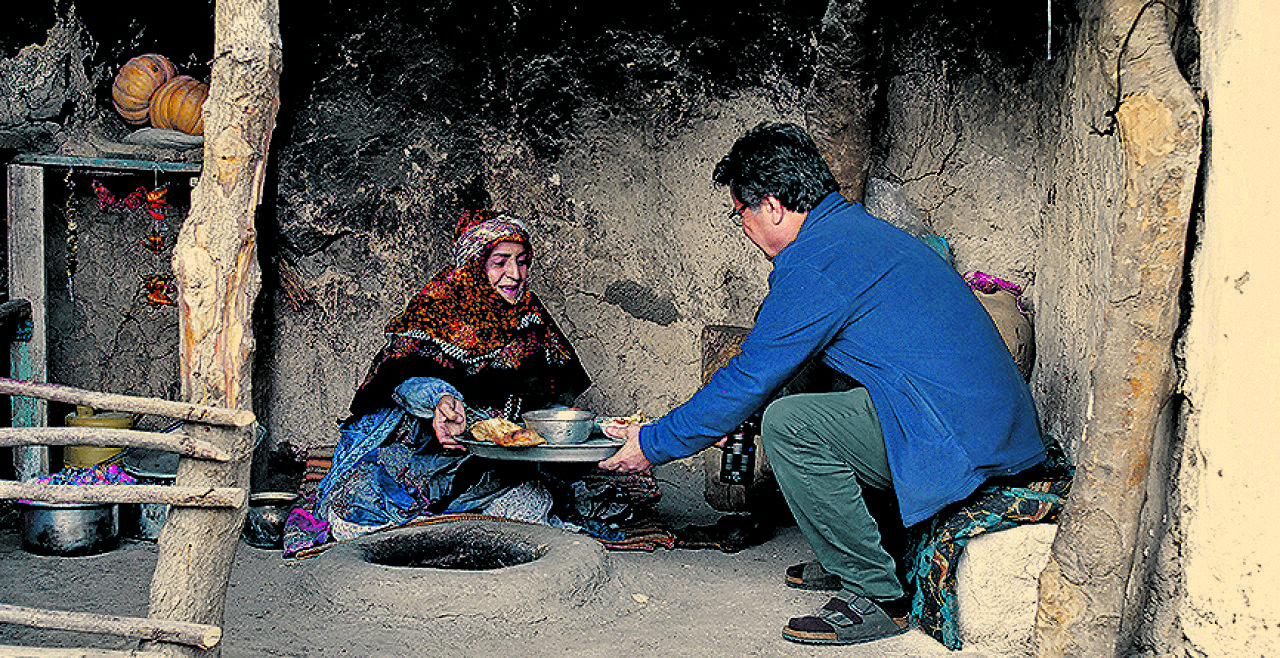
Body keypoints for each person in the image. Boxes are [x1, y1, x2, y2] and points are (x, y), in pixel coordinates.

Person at [600, 122, 1048, 646]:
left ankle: (875, 592)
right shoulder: (849, 235)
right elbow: (781, 367)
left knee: (792, 425)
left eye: (739, 213)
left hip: (965, 437)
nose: (742, 226)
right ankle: (857, 549)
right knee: (805, 391)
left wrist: (653, 444)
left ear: (770, 206)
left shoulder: (818, 262)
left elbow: (751, 372)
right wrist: (725, 419)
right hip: (978, 423)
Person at [283, 209, 636, 556]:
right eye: (500, 262)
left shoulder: (530, 316)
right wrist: (441, 399)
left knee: (530, 504)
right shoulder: (436, 306)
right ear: (475, 264)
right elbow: (400, 378)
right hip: (424, 455)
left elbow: (546, 401)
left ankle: (451, 526)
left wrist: (581, 426)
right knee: (357, 505)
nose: (514, 274)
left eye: (522, 260)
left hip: (494, 463)